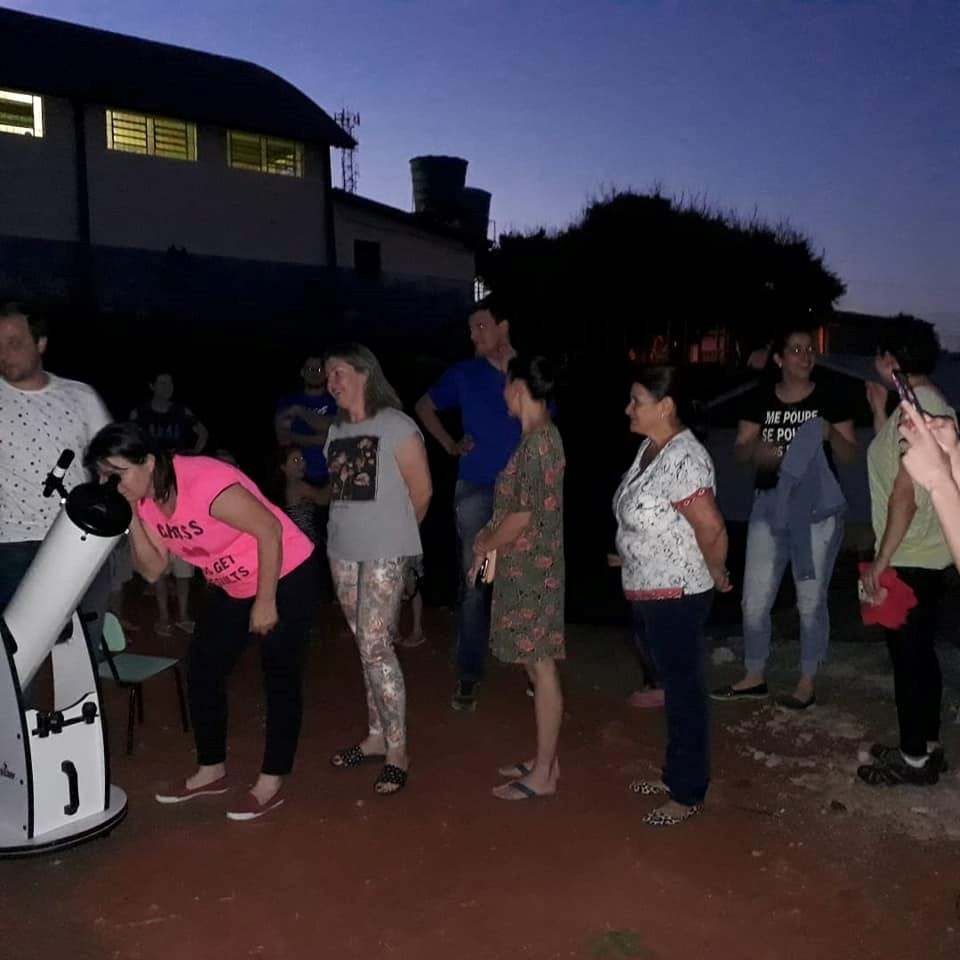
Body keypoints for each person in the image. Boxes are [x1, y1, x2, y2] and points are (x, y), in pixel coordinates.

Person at [85, 422, 317, 821]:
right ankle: (212, 770)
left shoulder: (204, 482)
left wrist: (265, 602)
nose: (109, 483)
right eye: (102, 475)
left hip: (285, 572)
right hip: (232, 583)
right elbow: (153, 570)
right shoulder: (144, 502)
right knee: (204, 668)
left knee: (279, 674)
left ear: (149, 461)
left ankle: (271, 779)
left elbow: (270, 530)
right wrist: (132, 516)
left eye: (116, 472)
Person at [711, 325, 856, 709]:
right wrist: (760, 450)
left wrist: (829, 433)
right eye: (795, 349)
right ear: (779, 358)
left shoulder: (830, 397)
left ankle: (807, 681)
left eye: (809, 349)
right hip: (769, 505)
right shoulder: (760, 398)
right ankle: (754, 675)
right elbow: (740, 452)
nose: (805, 356)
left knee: (810, 599)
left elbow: (848, 455)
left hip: (816, 511)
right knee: (754, 598)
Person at [613, 366, 731, 826]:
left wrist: (716, 570)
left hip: (677, 592)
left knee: (684, 692)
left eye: (636, 400)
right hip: (651, 587)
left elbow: (711, 527)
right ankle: (676, 773)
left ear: (666, 406)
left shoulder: (684, 458)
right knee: (675, 686)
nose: (628, 408)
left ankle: (687, 792)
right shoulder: (651, 447)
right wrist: (631, 550)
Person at [323, 344, 432, 795]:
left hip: (386, 550)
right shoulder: (336, 430)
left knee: (375, 646)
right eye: (328, 374)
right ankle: (374, 736)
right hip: (342, 549)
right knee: (365, 646)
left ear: (365, 372)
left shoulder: (397, 425)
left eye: (339, 372)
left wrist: (398, 543)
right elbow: (340, 493)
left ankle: (397, 750)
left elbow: (421, 492)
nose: (331, 381)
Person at [856, 318, 954, 786]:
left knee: (909, 659)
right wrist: (880, 412)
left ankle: (913, 759)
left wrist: (881, 561)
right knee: (919, 654)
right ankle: (925, 745)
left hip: (910, 553)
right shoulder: (917, 405)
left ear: (892, 360)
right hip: (922, 553)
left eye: (880, 353)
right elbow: (894, 462)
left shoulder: (921, 408)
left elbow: (905, 494)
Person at [415, 295, 519, 711]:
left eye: (481, 326)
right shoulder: (463, 373)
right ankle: (469, 672)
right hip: (476, 486)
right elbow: (424, 405)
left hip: (522, 491)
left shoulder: (528, 373)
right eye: (471, 328)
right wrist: (450, 445)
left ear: (503, 327)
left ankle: (533, 665)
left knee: (524, 578)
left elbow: (545, 422)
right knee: (475, 581)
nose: (473, 335)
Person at [469, 355, 565, 799]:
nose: (503, 394)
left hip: (534, 570)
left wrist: (485, 544)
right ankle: (547, 758)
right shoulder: (534, 439)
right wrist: (490, 547)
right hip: (524, 566)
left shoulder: (540, 441)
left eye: (506, 385)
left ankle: (544, 774)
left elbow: (522, 515)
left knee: (540, 666)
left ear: (519, 389)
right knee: (532, 662)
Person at [0, 300, 112, 637]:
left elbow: (114, 461)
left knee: (82, 645)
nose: (3, 353)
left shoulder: (81, 396)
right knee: (17, 649)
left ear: (41, 343)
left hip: (78, 538)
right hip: (11, 544)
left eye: (14, 343)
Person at [130, 372, 208, 636]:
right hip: (152, 491)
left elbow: (202, 433)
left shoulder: (181, 412)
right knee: (159, 559)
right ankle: (163, 616)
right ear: (152, 385)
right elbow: (128, 440)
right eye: (162, 382)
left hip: (179, 488)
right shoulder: (140, 413)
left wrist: (192, 454)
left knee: (185, 561)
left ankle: (184, 615)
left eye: (170, 382)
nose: (167, 387)